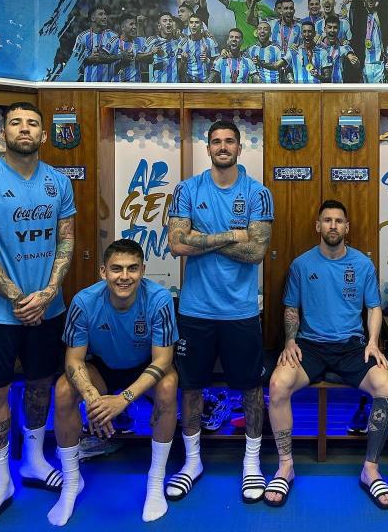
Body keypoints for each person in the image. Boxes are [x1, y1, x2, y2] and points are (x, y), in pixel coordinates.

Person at [0, 102, 75, 532]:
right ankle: (0, 482)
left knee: (42, 383)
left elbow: (66, 241)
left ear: (43, 134)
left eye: (32, 123)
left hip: (48, 308)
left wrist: (48, 293)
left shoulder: (59, 182)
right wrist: (16, 296)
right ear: (3, 131)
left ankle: (34, 460)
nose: (24, 129)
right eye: (15, 123)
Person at [264, 200, 388, 510]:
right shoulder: (302, 264)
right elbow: (291, 308)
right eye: (327, 220)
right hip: (310, 346)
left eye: (339, 221)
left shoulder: (362, 264)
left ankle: (371, 469)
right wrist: (290, 341)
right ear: (318, 226)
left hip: (351, 347)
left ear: (346, 227)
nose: (333, 225)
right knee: (278, 384)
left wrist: (373, 342)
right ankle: (285, 466)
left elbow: (374, 308)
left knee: (387, 386)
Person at [167, 120, 274, 503]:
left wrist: (201, 238)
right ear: (208, 147)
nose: (223, 147)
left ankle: (251, 463)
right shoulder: (188, 189)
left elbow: (256, 252)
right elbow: (177, 245)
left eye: (230, 141)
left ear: (240, 148)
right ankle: (192, 461)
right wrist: (231, 235)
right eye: (216, 141)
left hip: (240, 312)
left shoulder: (257, 193)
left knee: (251, 390)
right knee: (191, 388)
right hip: (195, 311)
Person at [48, 239, 179, 526]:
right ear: (103, 271)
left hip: (145, 365)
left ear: (143, 270)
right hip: (103, 367)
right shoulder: (84, 302)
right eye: (116, 268)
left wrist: (122, 400)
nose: (124, 276)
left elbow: (163, 360)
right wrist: (94, 400)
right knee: (63, 389)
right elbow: (73, 360)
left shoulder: (159, 299)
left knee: (169, 385)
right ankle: (71, 482)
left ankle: (155, 480)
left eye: (132, 268)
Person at [71, 6, 118, 82]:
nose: (105, 17)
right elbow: (74, 60)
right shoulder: (82, 37)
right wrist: (88, 59)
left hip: (108, 84)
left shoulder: (114, 36)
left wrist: (106, 58)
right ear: (93, 18)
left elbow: (120, 56)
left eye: (105, 14)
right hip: (90, 83)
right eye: (101, 14)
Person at [178, 13, 219, 83]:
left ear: (201, 25)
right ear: (188, 25)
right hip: (189, 82)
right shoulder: (182, 44)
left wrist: (208, 61)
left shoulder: (210, 42)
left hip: (206, 82)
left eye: (196, 22)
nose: (193, 25)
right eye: (191, 22)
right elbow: (178, 70)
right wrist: (183, 61)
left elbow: (218, 65)